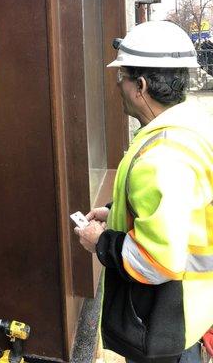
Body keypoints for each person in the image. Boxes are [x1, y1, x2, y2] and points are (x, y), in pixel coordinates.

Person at [74, 21, 213, 363]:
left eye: (121, 77)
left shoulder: (162, 155)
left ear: (141, 85)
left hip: (166, 324)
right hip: (193, 311)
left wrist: (100, 242)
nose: (117, 85)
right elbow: (176, 212)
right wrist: (117, 212)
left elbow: (156, 261)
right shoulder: (192, 128)